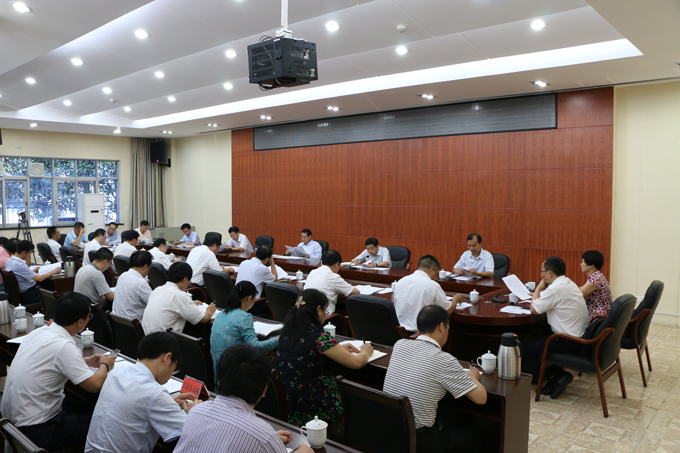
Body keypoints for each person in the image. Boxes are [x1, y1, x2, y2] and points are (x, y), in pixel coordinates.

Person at [1, 292, 116, 451]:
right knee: (104, 424)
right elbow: (94, 385)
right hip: (36, 429)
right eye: (89, 317)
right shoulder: (64, 346)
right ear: (80, 322)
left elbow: (50, 361)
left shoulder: (40, 332)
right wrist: (105, 365)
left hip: (13, 419)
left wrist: (88, 361)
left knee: (84, 405)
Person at [174, 344, 314, 453]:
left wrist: (268, 441)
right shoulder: (263, 436)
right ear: (264, 390)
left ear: (220, 381)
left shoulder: (196, 412)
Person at [383, 305, 486, 453]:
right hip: (419, 440)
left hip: (391, 430)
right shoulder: (444, 360)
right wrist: (472, 377)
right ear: (442, 327)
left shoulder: (400, 345)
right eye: (448, 329)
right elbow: (481, 398)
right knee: (474, 437)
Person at [84, 332, 201, 453]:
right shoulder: (155, 393)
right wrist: (193, 413)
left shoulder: (115, 373)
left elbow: (139, 405)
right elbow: (193, 431)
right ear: (167, 358)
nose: (172, 372)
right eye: (175, 367)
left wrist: (168, 403)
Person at [274, 289, 373, 429]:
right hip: (305, 399)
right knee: (346, 390)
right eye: (325, 311)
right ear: (318, 309)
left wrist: (337, 348)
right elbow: (357, 363)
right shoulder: (320, 337)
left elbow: (304, 347)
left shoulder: (288, 329)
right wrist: (366, 352)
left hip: (282, 393)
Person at [524, 256, 589, 399]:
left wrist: (539, 287)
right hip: (579, 338)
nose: (541, 275)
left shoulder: (555, 289)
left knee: (523, 351)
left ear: (549, 273)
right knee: (536, 336)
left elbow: (534, 309)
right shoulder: (568, 283)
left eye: (542, 272)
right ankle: (556, 373)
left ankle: (554, 375)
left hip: (566, 341)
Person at [210, 281, 278, 385]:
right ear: (249, 298)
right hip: (234, 373)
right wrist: (278, 339)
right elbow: (256, 346)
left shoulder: (221, 314)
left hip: (217, 372)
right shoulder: (244, 317)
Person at [142, 262, 216, 335]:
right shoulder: (180, 296)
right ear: (185, 279)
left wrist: (190, 304)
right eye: (189, 281)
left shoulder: (157, 289)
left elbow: (169, 304)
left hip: (146, 336)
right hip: (163, 340)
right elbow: (204, 319)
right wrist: (209, 311)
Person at [393, 255, 462, 331]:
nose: (435, 277)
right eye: (436, 272)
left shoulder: (401, 282)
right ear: (432, 270)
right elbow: (447, 311)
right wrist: (456, 299)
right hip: (421, 333)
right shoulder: (432, 285)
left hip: (399, 332)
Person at [6, 240, 61, 307]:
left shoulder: (9, 261)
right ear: (23, 253)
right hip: (29, 294)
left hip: (21, 292)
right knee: (53, 289)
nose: (29, 256)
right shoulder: (20, 265)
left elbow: (20, 273)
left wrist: (31, 272)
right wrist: (54, 271)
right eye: (30, 253)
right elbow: (40, 279)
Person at [304, 250, 359, 315]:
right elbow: (355, 292)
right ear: (337, 264)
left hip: (306, 314)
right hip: (324, 317)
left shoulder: (312, 272)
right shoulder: (333, 277)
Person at [112, 250, 153, 321]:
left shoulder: (123, 275)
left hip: (117, 321)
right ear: (145, 267)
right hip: (133, 325)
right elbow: (154, 303)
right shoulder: (141, 283)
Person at [579, 250, 612, 321]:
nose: (581, 264)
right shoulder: (597, 276)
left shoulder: (595, 279)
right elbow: (582, 288)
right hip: (599, 315)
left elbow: (578, 295)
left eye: (583, 262)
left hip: (597, 318)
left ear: (591, 265)